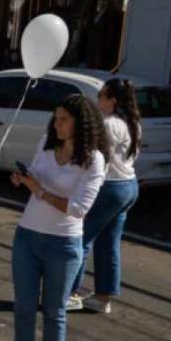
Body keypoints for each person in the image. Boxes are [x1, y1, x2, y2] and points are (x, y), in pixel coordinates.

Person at [6, 95, 108, 341]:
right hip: (28, 235)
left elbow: (79, 208)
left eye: (64, 119)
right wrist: (24, 179)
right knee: (24, 306)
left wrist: (39, 192)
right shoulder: (46, 144)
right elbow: (37, 176)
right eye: (56, 117)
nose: (57, 124)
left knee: (54, 310)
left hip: (63, 243)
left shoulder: (93, 159)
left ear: (81, 123)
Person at [69, 79, 140, 314]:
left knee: (81, 237)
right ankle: (103, 297)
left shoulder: (109, 124)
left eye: (102, 96)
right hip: (128, 185)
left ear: (113, 100)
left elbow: (97, 159)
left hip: (109, 187)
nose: (98, 100)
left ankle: (70, 292)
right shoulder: (133, 123)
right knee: (109, 243)